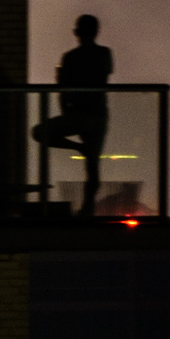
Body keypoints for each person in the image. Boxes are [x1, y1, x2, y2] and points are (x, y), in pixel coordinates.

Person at [32, 12, 112, 216]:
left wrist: (67, 112)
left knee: (40, 132)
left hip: (80, 115)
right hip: (97, 115)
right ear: (95, 32)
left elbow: (63, 89)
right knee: (93, 167)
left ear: (76, 32)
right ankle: (87, 209)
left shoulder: (71, 58)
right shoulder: (103, 54)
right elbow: (101, 78)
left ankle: (79, 148)